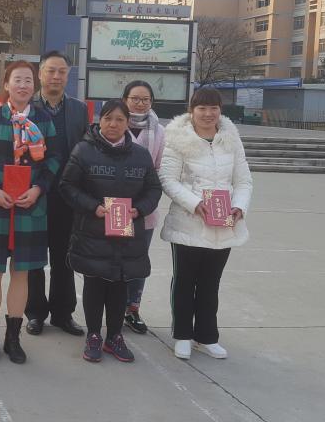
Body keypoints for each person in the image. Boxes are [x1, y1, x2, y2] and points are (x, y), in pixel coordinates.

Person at [0, 61, 60, 364]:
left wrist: (38, 189)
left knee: (21, 274)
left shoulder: (44, 120)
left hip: (29, 208)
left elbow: (54, 160)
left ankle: (13, 338)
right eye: (17, 80)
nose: (23, 85)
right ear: (6, 85)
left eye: (28, 80)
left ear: (35, 86)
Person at [60, 100, 163, 363]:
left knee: (120, 285)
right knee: (94, 284)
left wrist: (139, 209)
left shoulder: (140, 155)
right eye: (108, 118)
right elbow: (67, 186)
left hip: (127, 234)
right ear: (99, 120)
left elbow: (153, 189)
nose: (113, 124)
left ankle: (115, 336)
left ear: (127, 123)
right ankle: (94, 335)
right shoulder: (84, 150)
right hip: (92, 232)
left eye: (119, 119)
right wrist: (92, 207)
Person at [159, 88, 252, 361]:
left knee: (211, 283)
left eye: (213, 108)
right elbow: (168, 179)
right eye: (202, 108)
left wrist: (239, 206)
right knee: (185, 282)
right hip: (188, 223)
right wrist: (194, 203)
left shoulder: (230, 139)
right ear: (192, 110)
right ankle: (182, 335)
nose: (208, 114)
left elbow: (243, 180)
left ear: (220, 110)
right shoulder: (177, 139)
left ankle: (207, 337)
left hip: (223, 223)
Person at [26, 51, 88, 337]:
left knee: (65, 258)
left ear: (68, 75)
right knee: (34, 258)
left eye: (61, 71)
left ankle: (63, 313)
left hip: (67, 195)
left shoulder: (78, 109)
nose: (56, 76)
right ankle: (35, 313)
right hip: (34, 194)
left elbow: (86, 149)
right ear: (40, 74)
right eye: (50, 71)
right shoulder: (26, 107)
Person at [121, 80, 165, 334]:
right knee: (115, 260)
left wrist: (144, 201)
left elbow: (159, 169)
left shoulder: (159, 131)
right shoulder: (115, 124)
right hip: (117, 208)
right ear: (125, 100)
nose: (140, 103)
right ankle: (114, 307)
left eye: (145, 99)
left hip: (144, 210)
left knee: (138, 262)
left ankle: (132, 309)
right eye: (135, 98)